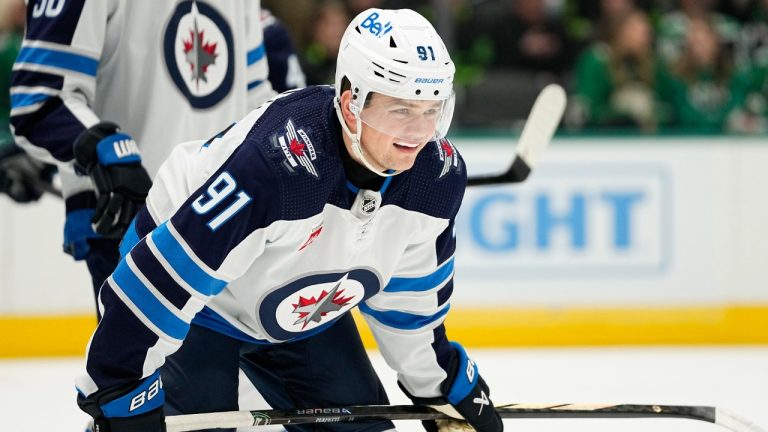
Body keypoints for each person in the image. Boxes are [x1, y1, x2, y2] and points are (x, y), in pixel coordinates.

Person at [75, 8, 504, 432]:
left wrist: (440, 384)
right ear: (352, 100)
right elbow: (162, 279)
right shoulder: (275, 167)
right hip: (200, 305)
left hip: (296, 313)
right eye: (400, 110)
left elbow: (410, 299)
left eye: (432, 110)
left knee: (362, 428)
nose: (419, 133)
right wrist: (120, 385)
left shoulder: (435, 178)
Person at [9, 0, 277, 307]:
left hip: (236, 230)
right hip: (132, 231)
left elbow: (255, 98)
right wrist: (104, 155)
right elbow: (40, 100)